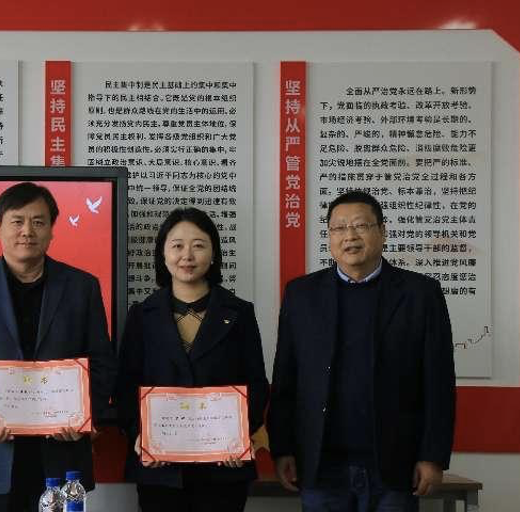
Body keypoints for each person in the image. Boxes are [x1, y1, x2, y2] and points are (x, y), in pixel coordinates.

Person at [0, 182, 116, 512]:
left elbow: (102, 362)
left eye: (38, 221)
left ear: (52, 230)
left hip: (61, 455)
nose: (27, 231)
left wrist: (85, 416)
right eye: (17, 221)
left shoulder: (81, 287)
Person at [267, 190, 456, 512]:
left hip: (395, 464)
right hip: (322, 466)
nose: (350, 236)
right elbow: (286, 378)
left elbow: (438, 382)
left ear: (382, 231)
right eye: (339, 228)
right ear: (329, 237)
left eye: (360, 226)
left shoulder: (420, 294)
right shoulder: (301, 294)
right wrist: (282, 448)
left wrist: (433, 456)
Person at [114, 207, 269, 512]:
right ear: (163, 254)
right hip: (160, 469)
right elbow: (126, 384)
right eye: (177, 245)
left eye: (198, 245)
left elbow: (256, 382)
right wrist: (139, 434)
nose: (187, 255)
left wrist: (239, 435)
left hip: (223, 468)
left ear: (213, 254)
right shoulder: (141, 315)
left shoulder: (240, 313)